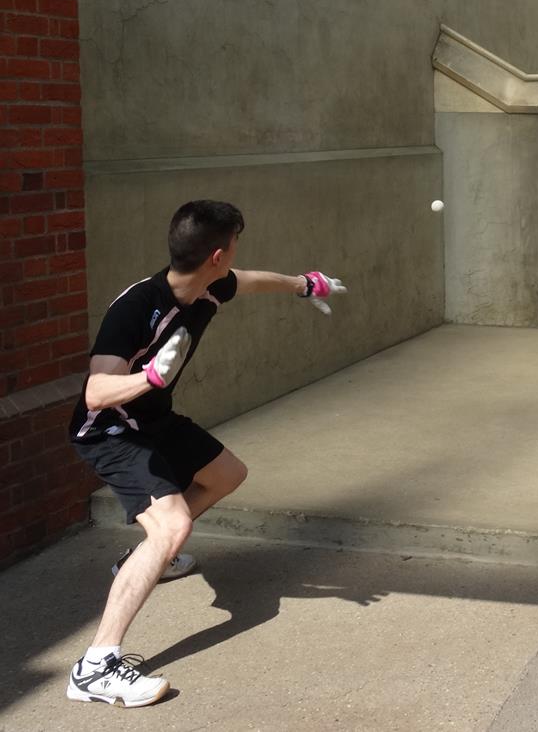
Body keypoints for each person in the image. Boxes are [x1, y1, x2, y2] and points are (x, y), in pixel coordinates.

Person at [65, 200, 348, 708]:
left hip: (152, 420)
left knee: (226, 474)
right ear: (217, 253)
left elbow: (253, 280)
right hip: (110, 430)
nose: (237, 253)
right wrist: (150, 377)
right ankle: (95, 666)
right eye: (235, 243)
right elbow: (96, 393)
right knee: (172, 525)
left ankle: (151, 558)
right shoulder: (137, 308)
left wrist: (306, 284)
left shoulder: (211, 284)